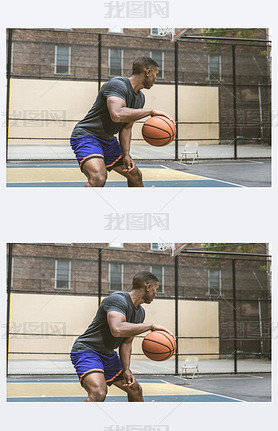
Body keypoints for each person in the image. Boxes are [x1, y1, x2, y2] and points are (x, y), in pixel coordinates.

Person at [70, 271, 173, 402]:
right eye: (156, 289)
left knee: (135, 389)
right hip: (87, 350)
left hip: (108, 355)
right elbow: (117, 329)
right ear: (148, 287)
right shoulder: (117, 299)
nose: (156, 294)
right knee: (98, 393)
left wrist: (126, 369)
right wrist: (151, 326)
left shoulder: (140, 313)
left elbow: (127, 342)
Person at [70, 57, 173, 187]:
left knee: (135, 175)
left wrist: (126, 154)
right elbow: (117, 114)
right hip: (87, 136)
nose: (155, 80)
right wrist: (151, 111)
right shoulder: (117, 85)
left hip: (108, 140)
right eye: (155, 75)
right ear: (148, 72)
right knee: (98, 178)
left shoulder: (140, 98)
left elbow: (126, 128)